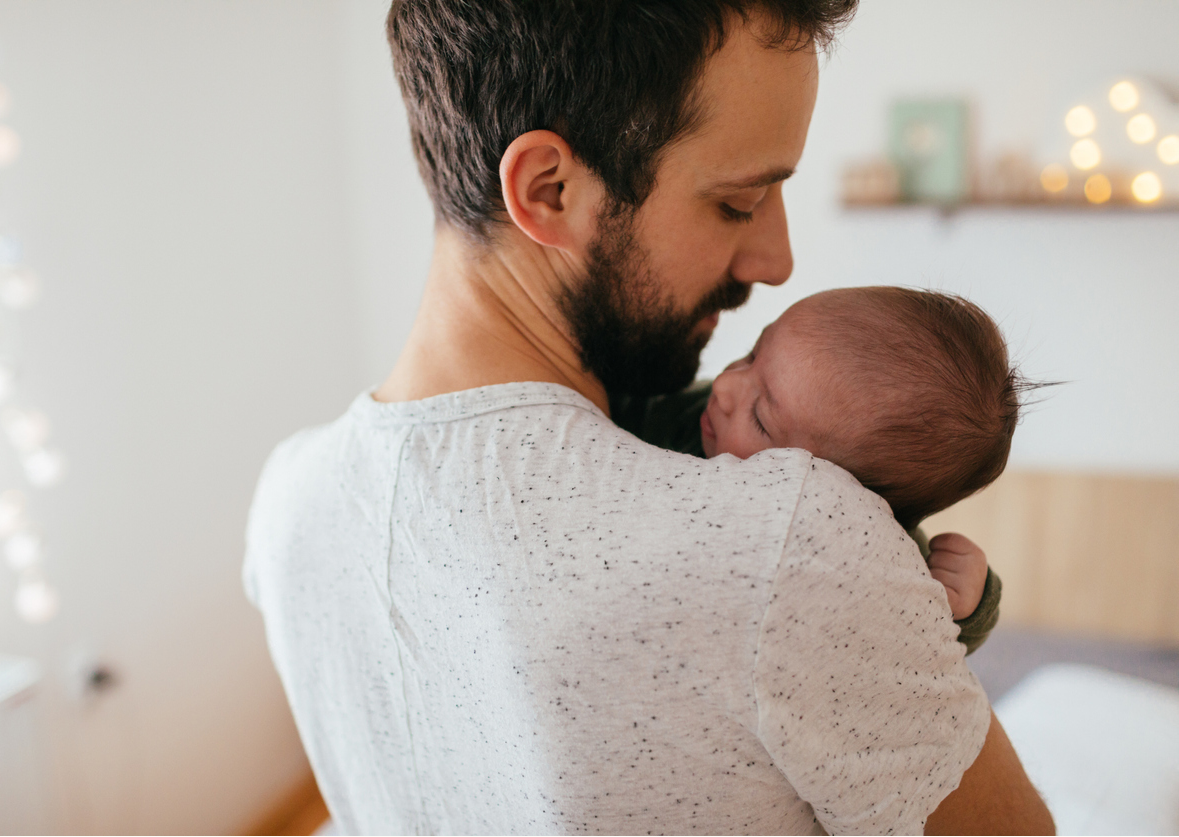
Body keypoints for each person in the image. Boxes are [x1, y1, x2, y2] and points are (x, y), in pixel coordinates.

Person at [244, 2, 1054, 833]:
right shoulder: (793, 533)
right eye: (738, 203)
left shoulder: (287, 504)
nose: (777, 262)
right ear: (549, 191)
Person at [613, 285, 1035, 651]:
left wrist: (968, 607)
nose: (724, 386)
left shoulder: (869, 545)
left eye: (760, 417)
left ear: (843, 499)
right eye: (751, 355)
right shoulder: (683, 412)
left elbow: (915, 646)